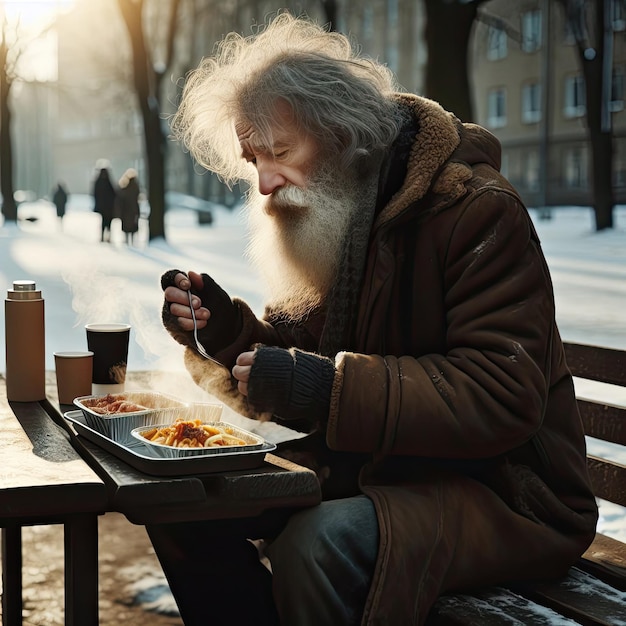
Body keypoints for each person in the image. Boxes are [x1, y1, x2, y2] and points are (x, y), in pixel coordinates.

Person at [153, 13, 598, 626]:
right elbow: (295, 358)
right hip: (380, 472)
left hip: (506, 497)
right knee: (179, 505)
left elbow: (501, 393)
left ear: (342, 137)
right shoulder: (338, 209)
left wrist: (329, 386)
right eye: (252, 159)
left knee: (318, 544)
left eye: (279, 153)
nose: (264, 183)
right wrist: (229, 335)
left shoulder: (478, 212)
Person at [92, 165, 117, 242]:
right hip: (109, 206)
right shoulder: (108, 182)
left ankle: (103, 235)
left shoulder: (98, 182)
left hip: (102, 206)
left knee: (103, 220)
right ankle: (108, 235)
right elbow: (114, 193)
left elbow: (95, 193)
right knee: (108, 221)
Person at [118, 168, 141, 245]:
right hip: (134, 209)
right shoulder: (136, 187)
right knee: (133, 224)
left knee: (126, 225)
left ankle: (127, 239)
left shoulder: (124, 186)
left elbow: (121, 197)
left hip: (125, 209)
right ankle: (133, 239)